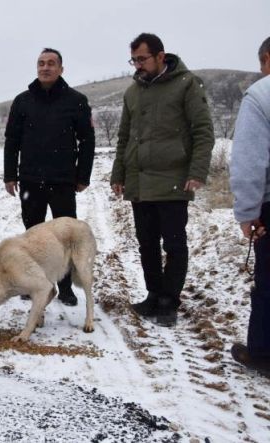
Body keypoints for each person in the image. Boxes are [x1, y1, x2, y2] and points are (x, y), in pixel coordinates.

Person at [110, 33, 214, 327]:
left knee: (174, 244)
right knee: (146, 243)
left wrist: (197, 171)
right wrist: (119, 174)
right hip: (139, 182)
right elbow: (124, 138)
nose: (137, 65)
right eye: (134, 60)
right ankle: (154, 294)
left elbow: (203, 131)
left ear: (160, 55)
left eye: (142, 59)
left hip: (173, 180)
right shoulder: (132, 92)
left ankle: (170, 300)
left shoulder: (186, 84)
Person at [3, 48, 95, 306]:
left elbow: (87, 140)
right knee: (32, 238)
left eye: (51, 63)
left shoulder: (76, 100)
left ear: (61, 69)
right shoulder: (22, 101)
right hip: (31, 180)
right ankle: (33, 283)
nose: (45, 67)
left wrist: (82, 175)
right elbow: (12, 140)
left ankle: (65, 288)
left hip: (63, 181)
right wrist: (10, 175)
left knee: (64, 239)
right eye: (41, 63)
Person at [228, 36, 270, 375]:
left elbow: (249, 161)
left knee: (269, 280)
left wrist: (248, 212)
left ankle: (263, 352)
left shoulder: (261, 95)